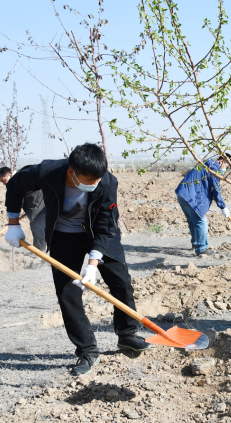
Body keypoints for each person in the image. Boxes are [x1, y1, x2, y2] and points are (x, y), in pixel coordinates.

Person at [4, 143, 150, 376]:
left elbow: (105, 225)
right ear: (72, 172)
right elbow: (14, 186)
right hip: (64, 237)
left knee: (120, 282)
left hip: (101, 235)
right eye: (90, 179)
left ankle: (127, 334)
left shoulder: (107, 182)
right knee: (68, 294)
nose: (94, 184)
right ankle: (87, 350)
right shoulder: (47, 172)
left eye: (98, 179)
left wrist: (92, 264)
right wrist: (13, 224)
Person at [175, 156, 230, 256]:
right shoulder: (214, 169)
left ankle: (196, 244)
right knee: (201, 221)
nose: (226, 169)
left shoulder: (206, 164)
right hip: (189, 196)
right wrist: (223, 207)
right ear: (221, 161)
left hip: (182, 193)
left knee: (193, 220)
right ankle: (202, 249)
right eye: (227, 165)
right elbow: (215, 189)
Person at [0, 166, 47, 251]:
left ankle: (40, 254)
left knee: (37, 228)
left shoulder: (20, 180)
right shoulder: (19, 178)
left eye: (4, 180)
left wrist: (13, 224)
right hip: (37, 207)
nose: (4, 183)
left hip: (39, 209)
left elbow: (15, 202)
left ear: (10, 175)